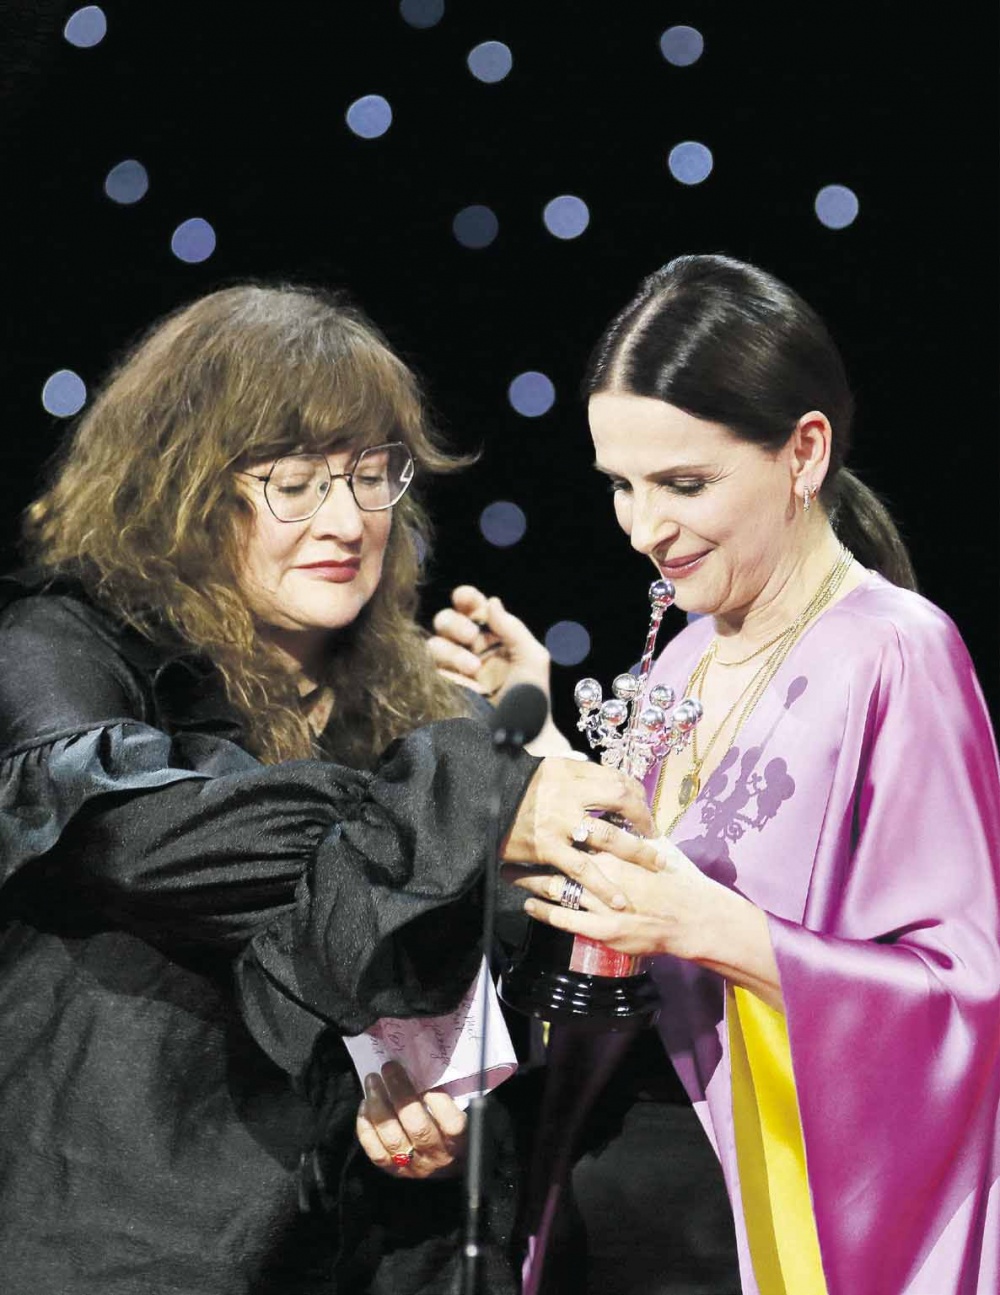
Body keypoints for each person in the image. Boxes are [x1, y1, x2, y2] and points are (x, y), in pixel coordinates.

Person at [0, 283, 656, 1295]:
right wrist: (469, 807)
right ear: (180, 485)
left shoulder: (428, 712)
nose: (347, 521)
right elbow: (137, 834)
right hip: (124, 1243)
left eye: (373, 476)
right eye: (295, 483)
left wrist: (440, 1097)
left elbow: (525, 992)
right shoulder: (64, 645)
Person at [430, 255, 1000, 1294]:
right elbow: (643, 883)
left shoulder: (898, 650)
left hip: (750, 1215)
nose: (644, 528)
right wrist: (537, 732)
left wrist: (714, 929)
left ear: (803, 451)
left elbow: (963, 997)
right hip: (611, 1180)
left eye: (684, 484)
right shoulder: (688, 649)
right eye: (621, 485)